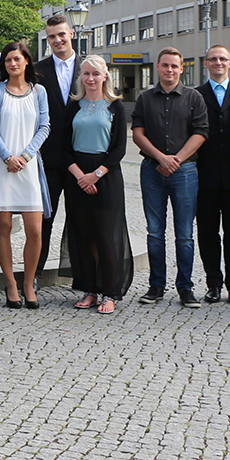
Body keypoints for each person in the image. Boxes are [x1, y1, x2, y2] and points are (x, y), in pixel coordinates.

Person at [130, 46, 209, 308]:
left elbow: (200, 133)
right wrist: (161, 158)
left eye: (174, 66)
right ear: (158, 67)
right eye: (165, 65)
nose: (170, 70)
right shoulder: (145, 98)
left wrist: (176, 159)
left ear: (181, 68)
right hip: (152, 170)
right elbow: (138, 133)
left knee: (185, 233)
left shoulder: (194, 97)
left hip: (185, 172)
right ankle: (156, 286)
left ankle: (186, 288)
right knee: (155, 232)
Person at [0, 42, 51, 310]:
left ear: (27, 61)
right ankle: (10, 285)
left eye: (17, 59)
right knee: (4, 227)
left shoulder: (38, 92)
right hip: (2, 165)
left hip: (29, 166)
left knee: (34, 230)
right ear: (4, 64)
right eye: (8, 60)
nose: (13, 64)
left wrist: (26, 156)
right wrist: (8, 156)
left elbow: (45, 126)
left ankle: (29, 283)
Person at [60, 56, 132, 315]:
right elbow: (64, 146)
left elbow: (120, 148)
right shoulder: (74, 105)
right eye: (86, 74)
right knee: (84, 235)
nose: (90, 79)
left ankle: (110, 292)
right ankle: (90, 289)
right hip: (77, 176)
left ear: (105, 76)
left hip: (106, 177)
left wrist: (96, 175)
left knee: (106, 236)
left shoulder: (116, 107)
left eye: (95, 74)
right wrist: (81, 176)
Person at [194, 44, 230, 304]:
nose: (218, 62)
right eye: (213, 59)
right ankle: (213, 284)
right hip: (203, 177)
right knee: (207, 234)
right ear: (205, 63)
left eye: (223, 59)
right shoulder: (195, 95)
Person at [31, 14, 80, 283]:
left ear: (71, 34)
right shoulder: (37, 71)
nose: (57, 40)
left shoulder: (90, 67)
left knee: (79, 219)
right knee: (44, 218)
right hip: (47, 158)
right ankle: (35, 272)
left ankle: (79, 273)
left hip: (81, 159)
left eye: (62, 34)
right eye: (52, 36)